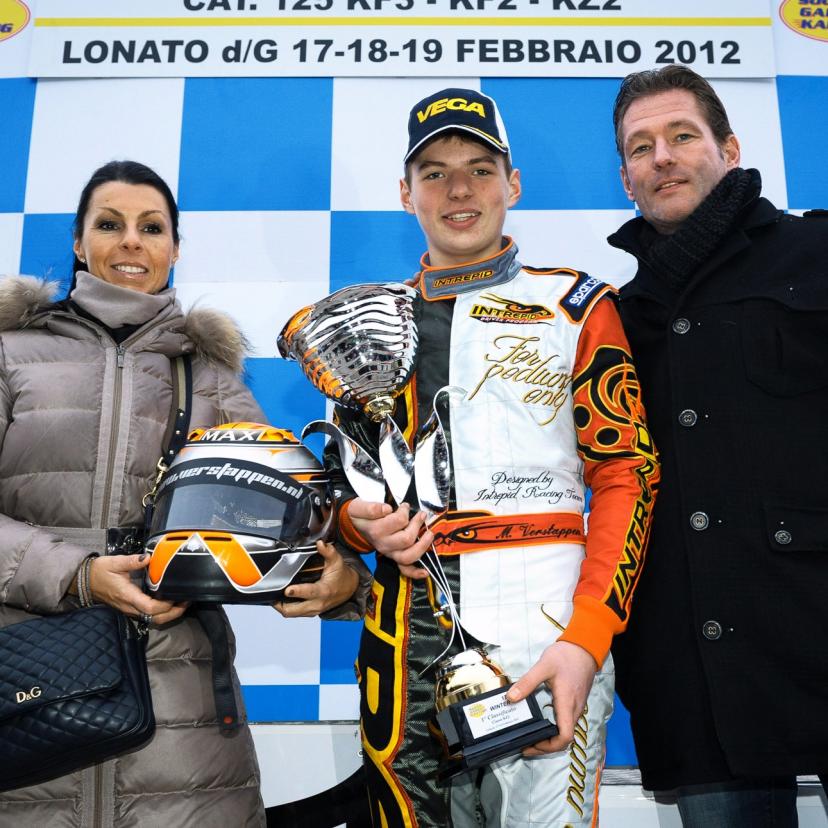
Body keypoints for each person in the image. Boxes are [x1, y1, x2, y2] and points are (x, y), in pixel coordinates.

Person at [327, 88, 660, 826]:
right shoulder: (362, 330)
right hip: (403, 634)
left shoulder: (576, 304)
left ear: (513, 184)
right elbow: (335, 499)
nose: (459, 189)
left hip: (547, 636)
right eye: (436, 171)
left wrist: (585, 641)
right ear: (404, 191)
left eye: (480, 169)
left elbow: (627, 477)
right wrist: (357, 526)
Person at [0, 160, 368, 827]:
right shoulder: (10, 354)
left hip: (188, 739)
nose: (131, 241)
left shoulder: (214, 376)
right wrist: (77, 576)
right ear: (80, 243)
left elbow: (282, 519)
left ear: (175, 248)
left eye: (152, 227)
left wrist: (338, 578)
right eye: (109, 225)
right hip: (24, 711)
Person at [608, 65, 828, 827]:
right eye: (640, 148)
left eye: (680, 136)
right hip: (697, 666)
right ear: (628, 179)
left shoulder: (816, 253)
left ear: (729, 149)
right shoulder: (611, 318)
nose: (661, 157)